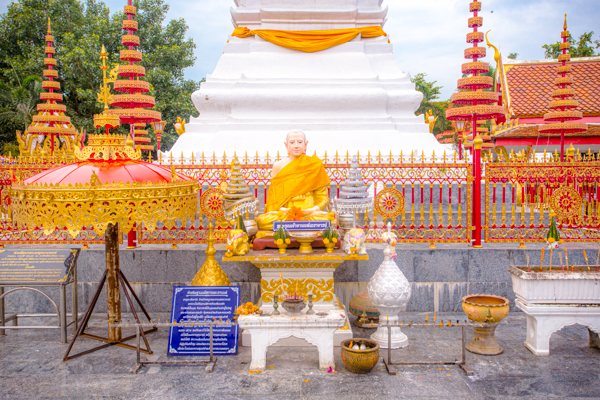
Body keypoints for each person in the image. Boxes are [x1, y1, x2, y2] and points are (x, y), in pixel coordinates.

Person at [256, 131, 331, 233]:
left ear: (305, 144)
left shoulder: (315, 165)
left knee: (330, 220)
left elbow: (323, 198)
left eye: (300, 142)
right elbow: (274, 200)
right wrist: (286, 211)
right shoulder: (278, 166)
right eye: (292, 142)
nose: (296, 146)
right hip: (286, 214)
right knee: (262, 221)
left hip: (309, 214)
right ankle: (301, 225)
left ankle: (293, 225)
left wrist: (311, 210)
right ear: (286, 145)